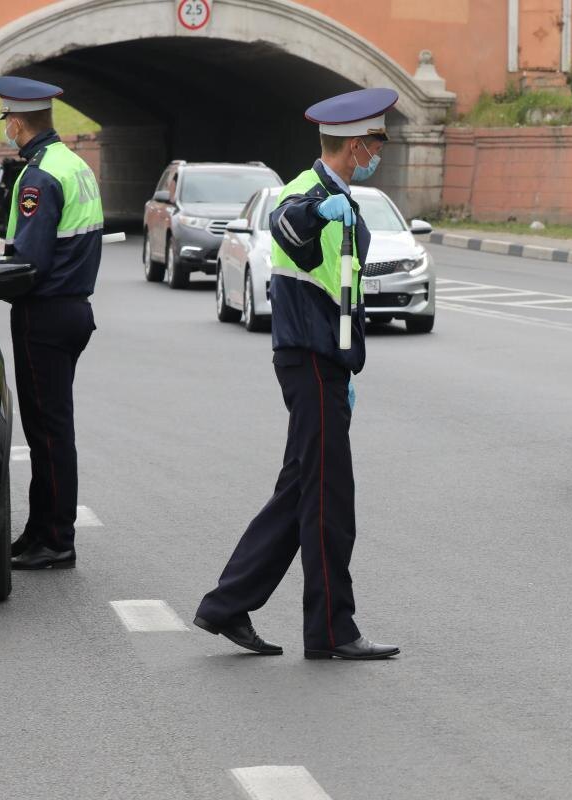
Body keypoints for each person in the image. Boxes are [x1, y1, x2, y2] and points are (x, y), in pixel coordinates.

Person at [194, 88, 401, 661]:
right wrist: (318, 211)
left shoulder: (343, 198)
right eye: (377, 143)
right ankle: (332, 630)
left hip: (325, 362)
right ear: (356, 146)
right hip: (309, 359)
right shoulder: (306, 194)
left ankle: (227, 604)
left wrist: (346, 367)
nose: (379, 153)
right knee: (330, 501)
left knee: (300, 491)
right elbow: (287, 224)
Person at [0, 76, 104, 570]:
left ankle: (55, 540)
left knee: (47, 432)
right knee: (49, 428)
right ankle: (41, 531)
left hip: (45, 313)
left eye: (7, 121)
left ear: (17, 122)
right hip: (72, 308)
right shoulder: (74, 164)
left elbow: (28, 263)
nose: (8, 129)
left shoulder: (38, 177)